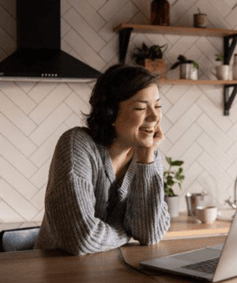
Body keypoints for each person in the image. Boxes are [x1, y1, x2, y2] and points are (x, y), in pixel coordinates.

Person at [34, 64, 170, 255]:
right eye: (141, 107)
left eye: (158, 106)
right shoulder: (77, 145)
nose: (155, 116)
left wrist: (147, 157)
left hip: (111, 273)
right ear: (110, 113)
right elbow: (81, 239)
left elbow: (150, 234)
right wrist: (124, 231)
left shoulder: (148, 155)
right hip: (59, 274)